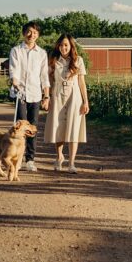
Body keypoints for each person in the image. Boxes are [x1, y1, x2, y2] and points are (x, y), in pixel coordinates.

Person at [8, 21, 50, 172]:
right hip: (21, 94)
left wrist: (46, 96)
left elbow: (44, 76)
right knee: (20, 127)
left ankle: (30, 160)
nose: (32, 35)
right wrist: (15, 84)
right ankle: (16, 158)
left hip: (35, 94)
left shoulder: (42, 53)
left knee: (32, 127)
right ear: (24, 33)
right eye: (29, 32)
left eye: (35, 33)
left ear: (38, 35)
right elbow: (14, 71)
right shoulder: (16, 51)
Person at [44, 33, 89, 173]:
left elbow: (82, 82)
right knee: (58, 128)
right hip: (58, 96)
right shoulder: (53, 60)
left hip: (74, 97)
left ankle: (72, 163)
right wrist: (47, 97)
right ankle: (59, 158)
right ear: (58, 46)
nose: (64, 48)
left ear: (71, 47)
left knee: (73, 127)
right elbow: (49, 81)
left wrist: (85, 101)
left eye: (66, 45)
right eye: (61, 45)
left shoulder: (78, 60)